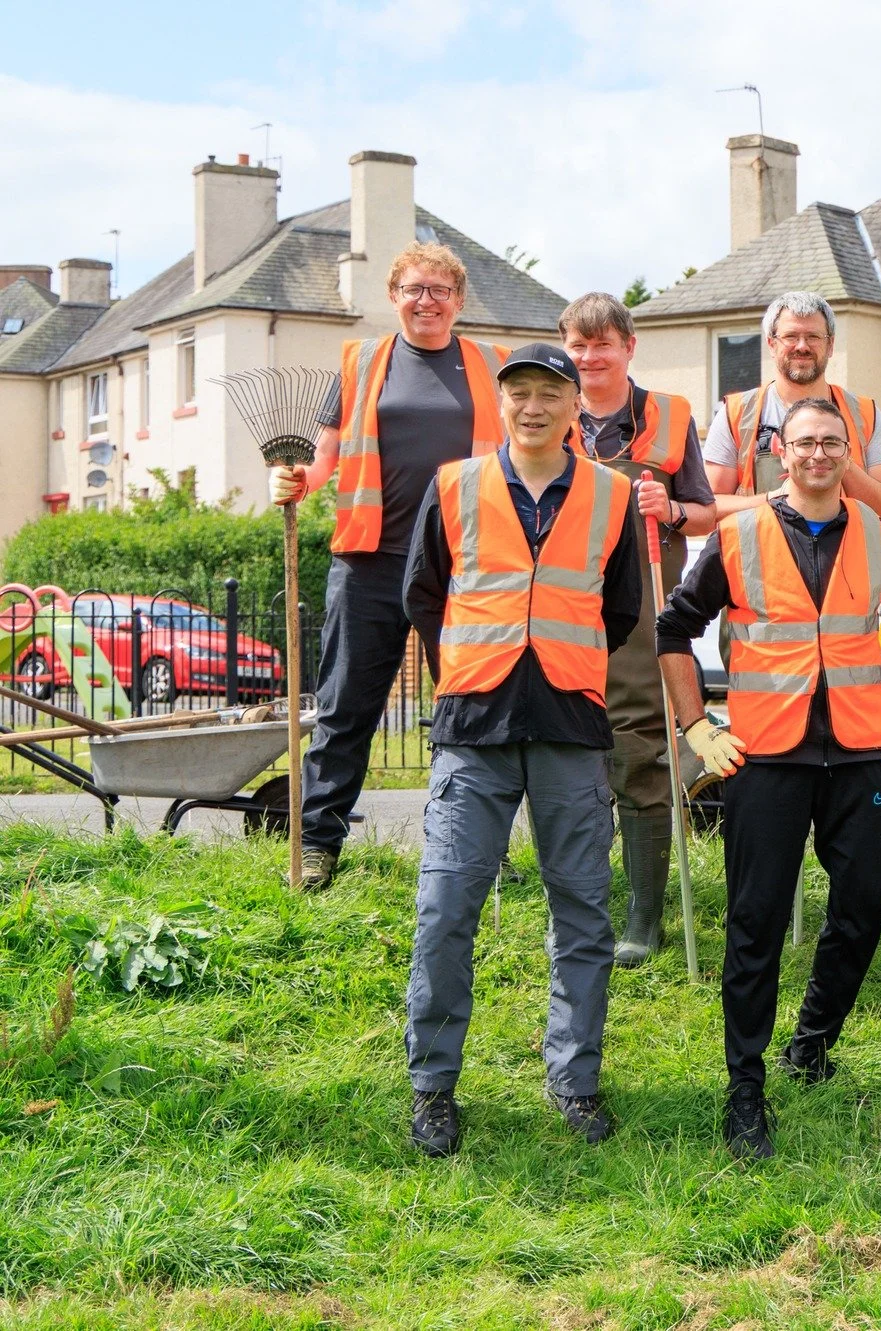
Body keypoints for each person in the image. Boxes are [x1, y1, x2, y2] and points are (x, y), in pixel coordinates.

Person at [655, 397, 881, 1160]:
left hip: (858, 755)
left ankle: (811, 1043)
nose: (818, 453)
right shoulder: (739, 534)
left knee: (863, 911)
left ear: (848, 453)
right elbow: (673, 629)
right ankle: (744, 1086)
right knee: (754, 922)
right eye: (805, 441)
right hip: (765, 757)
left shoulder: (879, 537)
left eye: (832, 442)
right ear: (780, 451)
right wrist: (696, 729)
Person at [399, 343, 643, 1156]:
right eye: (519, 393)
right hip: (474, 725)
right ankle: (433, 1086)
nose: (533, 406)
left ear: (575, 406)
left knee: (583, 912)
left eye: (549, 393)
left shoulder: (612, 496)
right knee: (446, 908)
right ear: (500, 404)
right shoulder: (454, 486)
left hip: (571, 724)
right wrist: (471, 667)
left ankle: (574, 1079)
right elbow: (422, 594)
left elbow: (621, 606)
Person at [272, 242, 510, 891]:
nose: (426, 301)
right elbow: (326, 456)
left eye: (439, 290)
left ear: (459, 300)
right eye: (414, 289)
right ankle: (318, 845)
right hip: (368, 559)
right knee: (345, 707)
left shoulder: (493, 365)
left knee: (470, 708)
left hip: (465, 564)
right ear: (393, 296)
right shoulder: (361, 362)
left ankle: (475, 845)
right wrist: (297, 481)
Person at [558, 293, 719, 968]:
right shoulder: (545, 411)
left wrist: (671, 507)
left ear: (629, 346)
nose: (590, 357)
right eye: (578, 345)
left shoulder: (671, 416)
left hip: (642, 611)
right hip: (563, 612)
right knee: (567, 757)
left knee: (639, 755)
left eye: (603, 344)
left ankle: (643, 918)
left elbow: (707, 513)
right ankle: (577, 908)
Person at [706, 291, 881, 520]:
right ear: (771, 344)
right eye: (791, 336)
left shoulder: (865, 415)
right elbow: (710, 508)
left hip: (844, 543)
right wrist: (776, 500)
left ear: (831, 345)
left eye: (813, 336)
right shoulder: (736, 414)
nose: (802, 346)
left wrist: (840, 458)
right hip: (764, 543)